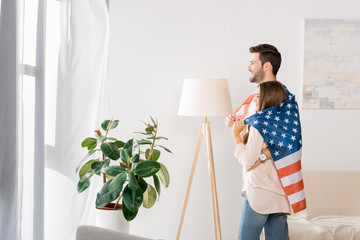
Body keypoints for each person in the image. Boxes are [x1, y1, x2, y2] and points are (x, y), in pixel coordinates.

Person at [232, 81, 290, 240]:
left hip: (258, 191)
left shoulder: (259, 123)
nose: (254, 100)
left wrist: (236, 136)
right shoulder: (284, 125)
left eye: (258, 96)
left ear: (268, 97)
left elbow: (247, 161)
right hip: (279, 195)